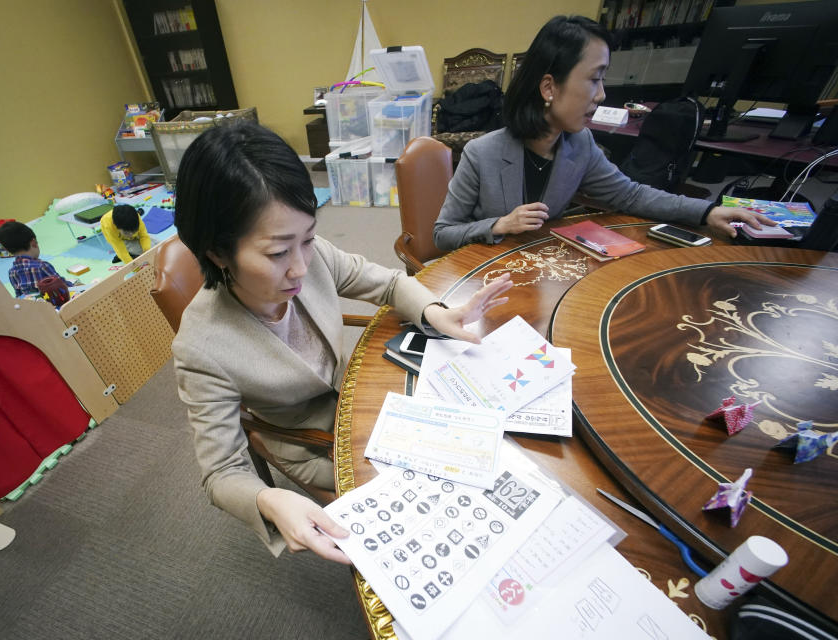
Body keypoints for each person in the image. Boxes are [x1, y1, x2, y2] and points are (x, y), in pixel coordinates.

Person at [171, 122, 513, 564]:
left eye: (308, 239)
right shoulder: (202, 347)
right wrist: (270, 500)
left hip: (361, 392)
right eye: (277, 254)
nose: (299, 267)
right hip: (307, 436)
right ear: (218, 253)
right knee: (423, 509)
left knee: (469, 448)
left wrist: (435, 312)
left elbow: (389, 283)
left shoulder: (308, 254)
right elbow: (221, 472)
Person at [433, 15, 774, 251]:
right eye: (594, 78)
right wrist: (498, 225)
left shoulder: (578, 144)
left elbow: (630, 195)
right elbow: (442, 234)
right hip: (484, 275)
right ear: (549, 87)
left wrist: (706, 211)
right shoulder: (482, 152)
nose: (601, 95)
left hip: (543, 272)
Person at [0, 221, 73, 298]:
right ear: (34, 243)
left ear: (8, 250)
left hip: (35, 306)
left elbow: (19, 296)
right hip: (56, 302)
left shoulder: (12, 272)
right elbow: (62, 285)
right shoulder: (42, 266)